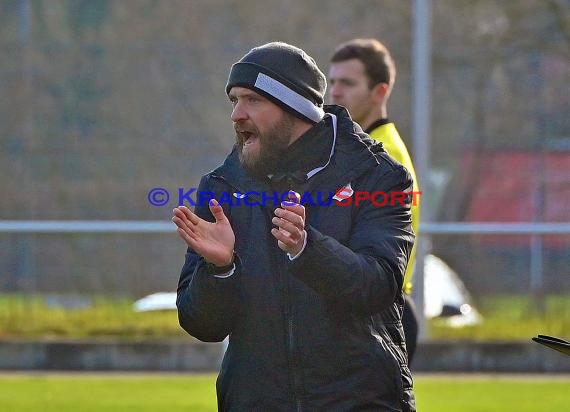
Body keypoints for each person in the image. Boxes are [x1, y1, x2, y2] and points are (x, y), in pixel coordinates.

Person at [173, 42, 416, 411]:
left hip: (358, 401)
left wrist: (307, 250)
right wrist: (219, 269)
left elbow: (379, 285)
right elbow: (202, 325)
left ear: (295, 109)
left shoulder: (377, 175)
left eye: (253, 100)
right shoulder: (222, 187)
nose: (237, 114)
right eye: (234, 100)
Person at [329, 38, 421, 365]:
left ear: (380, 92)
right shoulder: (359, 149)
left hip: (378, 315)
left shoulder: (382, 155)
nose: (335, 92)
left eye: (348, 83)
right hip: (369, 312)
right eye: (333, 81)